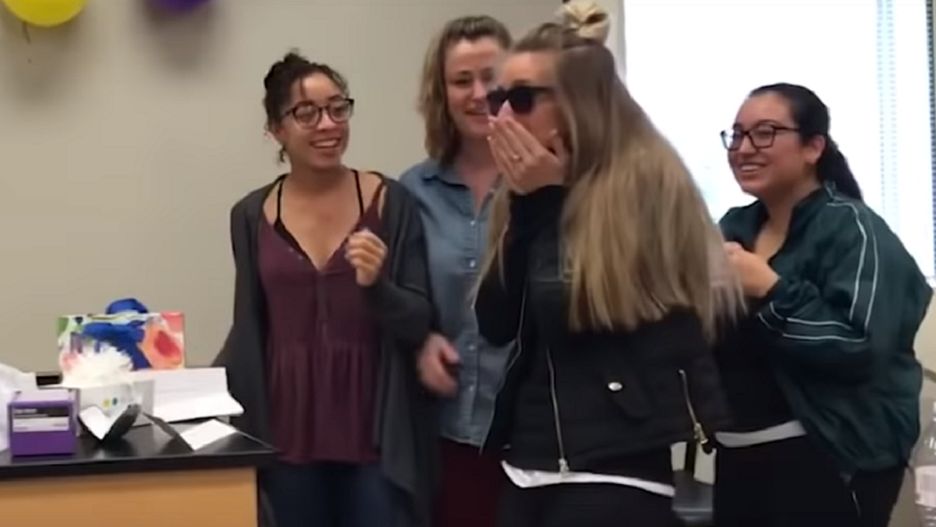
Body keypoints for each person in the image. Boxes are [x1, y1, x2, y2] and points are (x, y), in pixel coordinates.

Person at [473, 3, 741, 526]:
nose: (503, 118)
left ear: (578, 102)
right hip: (531, 459)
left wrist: (545, 203)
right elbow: (495, 321)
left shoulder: (646, 181)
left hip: (619, 461)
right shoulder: (526, 191)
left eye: (522, 99)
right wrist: (529, 209)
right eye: (498, 99)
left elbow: (577, 307)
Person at [213, 51, 435, 527]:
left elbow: (420, 320)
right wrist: (195, 396)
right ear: (276, 129)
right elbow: (248, 327)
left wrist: (377, 286)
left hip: (373, 432)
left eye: (338, 108)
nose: (328, 124)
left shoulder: (391, 202)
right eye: (307, 113)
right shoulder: (250, 215)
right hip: (287, 433)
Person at [714, 82, 932, 527]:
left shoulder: (854, 229)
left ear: (813, 147)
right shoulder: (735, 227)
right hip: (738, 457)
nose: (744, 149)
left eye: (765, 133)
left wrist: (771, 290)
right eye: (736, 135)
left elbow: (859, 346)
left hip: (830, 457)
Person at [399, 15, 512, 527]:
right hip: (442, 435)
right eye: (462, 80)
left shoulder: (549, 185)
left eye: (492, 77)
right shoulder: (411, 192)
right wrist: (420, 340)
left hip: (530, 437)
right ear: (441, 93)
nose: (479, 93)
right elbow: (397, 300)